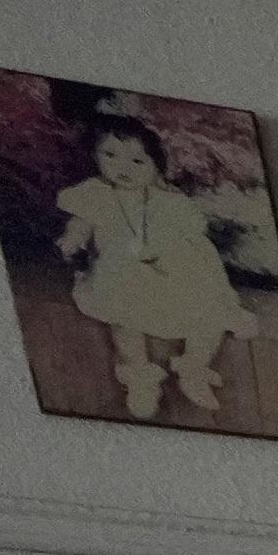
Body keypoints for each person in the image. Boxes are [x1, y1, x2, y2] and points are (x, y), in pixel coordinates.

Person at [55, 114, 256, 423]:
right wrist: (73, 239)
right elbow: (81, 223)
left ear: (155, 167)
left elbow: (191, 234)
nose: (122, 168)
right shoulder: (95, 193)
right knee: (122, 316)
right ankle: (140, 378)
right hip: (122, 272)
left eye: (137, 161)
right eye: (110, 155)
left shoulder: (167, 200)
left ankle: (194, 367)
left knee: (209, 306)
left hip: (170, 271)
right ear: (95, 156)